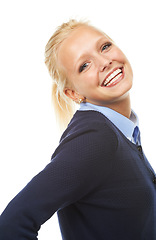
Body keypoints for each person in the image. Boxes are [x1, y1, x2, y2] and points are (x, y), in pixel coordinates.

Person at [0, 19, 156, 240]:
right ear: (73, 94)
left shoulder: (121, 130)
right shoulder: (96, 139)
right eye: (84, 65)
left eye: (105, 46)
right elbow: (11, 226)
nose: (105, 62)